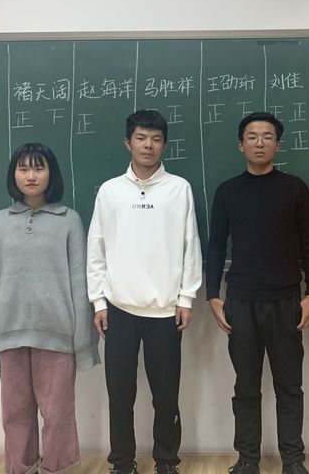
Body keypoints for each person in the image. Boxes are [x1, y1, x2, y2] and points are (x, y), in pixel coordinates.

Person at [0, 142, 99, 474]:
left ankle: (57, 469)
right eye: (23, 168)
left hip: (57, 335)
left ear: (51, 174)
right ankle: (20, 469)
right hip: (9, 335)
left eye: (39, 168)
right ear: (13, 175)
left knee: (57, 414)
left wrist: (83, 343)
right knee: (15, 414)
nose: (31, 176)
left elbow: (80, 283)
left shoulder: (69, 220)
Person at [87, 109, 202, 474]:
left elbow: (191, 246)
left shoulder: (179, 189)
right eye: (141, 138)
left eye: (155, 139)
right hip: (118, 308)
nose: (148, 145)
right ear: (128, 143)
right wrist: (98, 301)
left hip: (165, 310)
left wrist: (186, 298)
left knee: (166, 396)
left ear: (164, 144)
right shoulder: (110, 191)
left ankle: (166, 461)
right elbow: (96, 248)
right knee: (120, 395)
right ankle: (122, 462)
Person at [206, 113, 309, 474]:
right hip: (240, 300)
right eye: (252, 137)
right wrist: (212, 294)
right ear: (241, 145)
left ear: (277, 144)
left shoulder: (294, 188)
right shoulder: (227, 191)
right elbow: (215, 246)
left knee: (290, 386)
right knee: (246, 387)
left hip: (286, 300)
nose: (260, 142)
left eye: (267, 136)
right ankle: (247, 459)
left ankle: (293, 460)